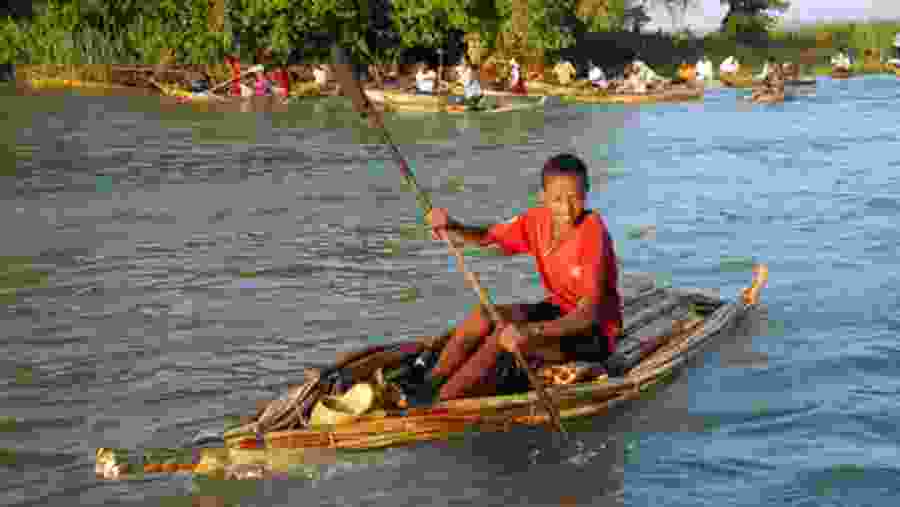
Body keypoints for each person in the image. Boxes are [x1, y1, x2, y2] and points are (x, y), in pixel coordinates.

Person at [424, 153, 623, 401]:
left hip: (593, 334)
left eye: (575, 198)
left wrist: (530, 332)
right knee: (484, 315)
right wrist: (452, 226)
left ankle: (442, 400)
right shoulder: (536, 220)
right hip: (558, 310)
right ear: (543, 197)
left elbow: (588, 314)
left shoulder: (593, 232)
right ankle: (431, 382)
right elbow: (488, 236)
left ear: (587, 192)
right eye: (557, 199)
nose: (566, 208)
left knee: (503, 338)